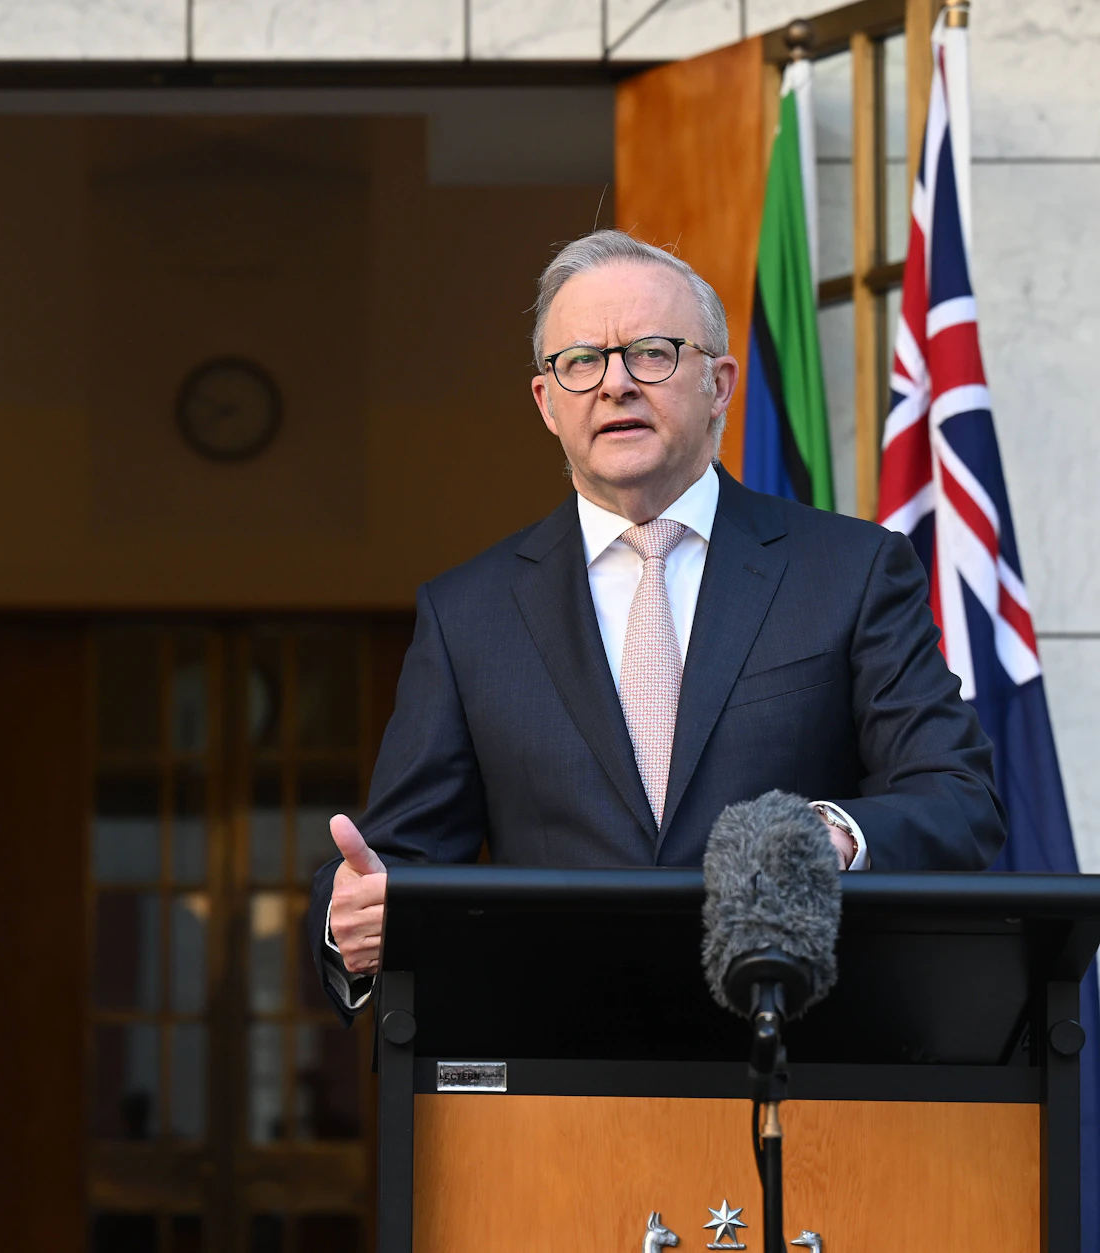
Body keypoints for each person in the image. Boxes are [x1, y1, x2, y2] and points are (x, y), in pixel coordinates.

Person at [308, 230, 1004, 1017]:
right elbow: (396, 862)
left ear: (719, 383)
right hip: (562, 1064)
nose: (615, 385)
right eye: (581, 361)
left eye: (651, 353)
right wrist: (350, 920)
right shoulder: (468, 612)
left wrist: (830, 835)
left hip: (801, 1047)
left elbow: (957, 795)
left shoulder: (852, 570)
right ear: (546, 401)